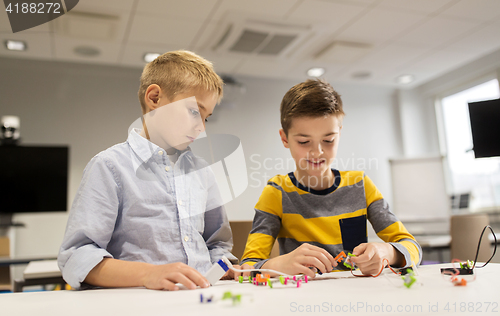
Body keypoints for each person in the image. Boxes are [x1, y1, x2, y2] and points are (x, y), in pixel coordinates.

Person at [58, 50, 237, 291]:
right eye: (195, 112)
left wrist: (223, 268)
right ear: (154, 98)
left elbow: (217, 245)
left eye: (206, 118)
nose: (200, 129)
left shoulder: (202, 173)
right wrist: (149, 274)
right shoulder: (110, 167)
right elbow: (77, 256)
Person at [238, 79, 421, 278]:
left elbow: (413, 248)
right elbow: (248, 267)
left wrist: (387, 252)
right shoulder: (277, 191)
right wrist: (279, 264)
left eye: (328, 140)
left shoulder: (360, 185)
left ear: (339, 134)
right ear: (285, 139)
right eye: (304, 141)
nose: (317, 152)